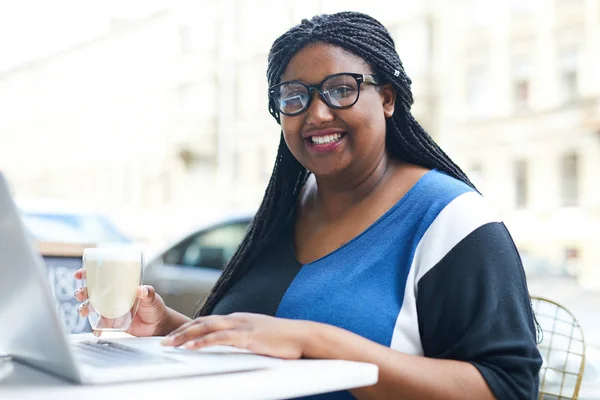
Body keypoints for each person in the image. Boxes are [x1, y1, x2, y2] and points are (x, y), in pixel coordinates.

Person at [75, 11, 542, 399]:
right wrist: (165, 327)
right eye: (294, 98)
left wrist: (312, 339)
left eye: (341, 89)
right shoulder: (284, 212)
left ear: (387, 98)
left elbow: (508, 387)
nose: (316, 113)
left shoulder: (451, 220)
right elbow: (259, 349)